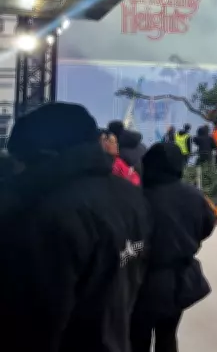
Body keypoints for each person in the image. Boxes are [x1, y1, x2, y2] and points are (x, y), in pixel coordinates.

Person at [0, 103, 151, 352]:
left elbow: (33, 319)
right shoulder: (130, 196)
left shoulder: (47, 214)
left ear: (45, 155)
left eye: (21, 161)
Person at [131, 142, 215, 352]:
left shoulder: (136, 199)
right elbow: (206, 227)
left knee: (136, 338)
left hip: (141, 279)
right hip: (180, 278)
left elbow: (125, 243)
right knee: (168, 336)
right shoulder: (194, 196)